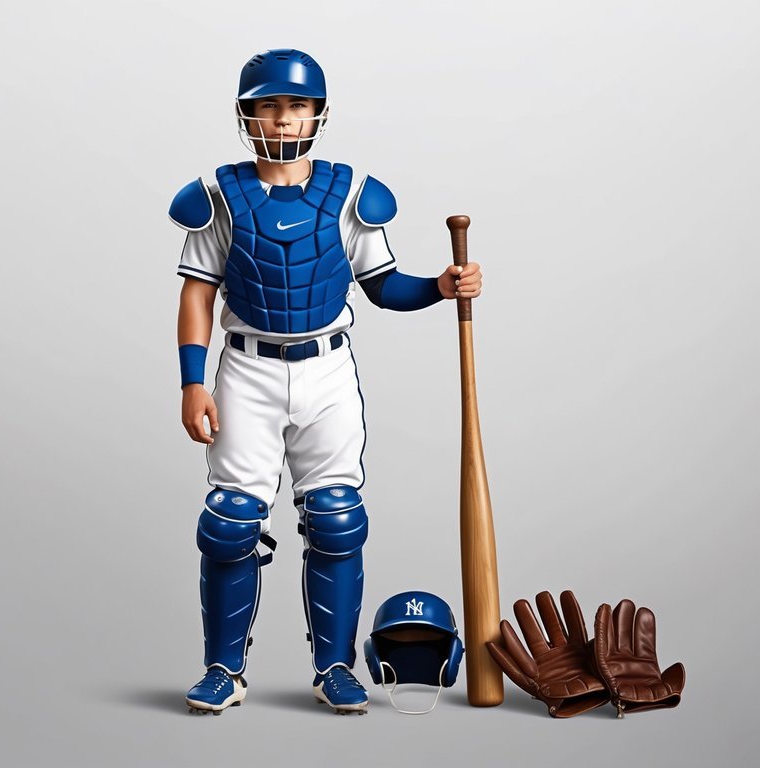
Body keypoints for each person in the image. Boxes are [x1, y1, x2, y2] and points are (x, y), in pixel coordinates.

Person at [169, 48, 482, 715]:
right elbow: (197, 295)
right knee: (229, 522)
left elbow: (382, 287)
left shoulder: (349, 194)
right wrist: (191, 382)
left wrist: (437, 285)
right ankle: (223, 669)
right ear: (246, 114)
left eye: (295, 106)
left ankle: (334, 667)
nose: (282, 120)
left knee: (337, 519)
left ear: (318, 114)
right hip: (246, 368)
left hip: (327, 368)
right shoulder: (217, 197)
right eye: (268, 107)